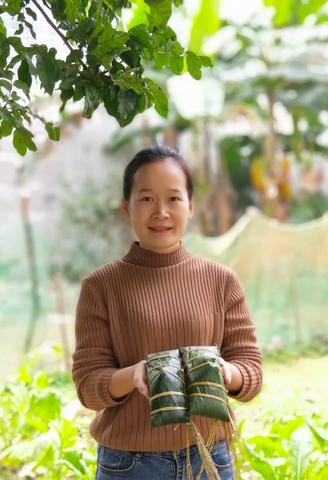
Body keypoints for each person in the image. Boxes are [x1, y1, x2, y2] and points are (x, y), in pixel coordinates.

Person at [71, 145, 263, 479]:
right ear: (126, 207)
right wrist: (132, 376)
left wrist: (225, 372)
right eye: (146, 199)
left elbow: (251, 372)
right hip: (129, 465)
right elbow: (88, 385)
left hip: (209, 457)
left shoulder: (221, 281)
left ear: (190, 207)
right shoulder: (100, 286)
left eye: (173, 199)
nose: (160, 212)